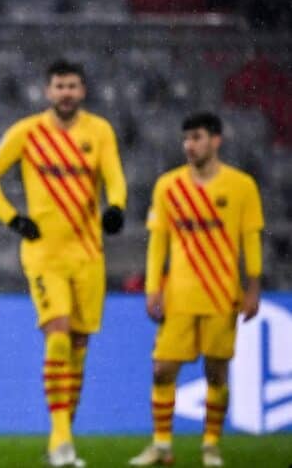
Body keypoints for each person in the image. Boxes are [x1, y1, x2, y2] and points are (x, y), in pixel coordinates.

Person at [0, 59, 127, 466]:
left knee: (78, 347)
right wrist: (13, 218)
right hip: (44, 256)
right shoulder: (27, 132)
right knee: (57, 336)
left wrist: (116, 206)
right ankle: (61, 441)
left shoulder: (100, 132)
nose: (66, 93)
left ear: (83, 91)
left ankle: (62, 439)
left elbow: (114, 176)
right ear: (48, 92)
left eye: (73, 85)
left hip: (89, 255)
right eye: (59, 86)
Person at [129, 112, 263, 467]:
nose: (190, 145)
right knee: (161, 369)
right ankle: (161, 446)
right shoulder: (168, 185)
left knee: (216, 371)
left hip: (222, 294)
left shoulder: (241, 186)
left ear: (216, 141)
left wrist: (253, 287)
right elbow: (158, 241)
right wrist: (152, 287)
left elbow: (250, 238)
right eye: (186, 138)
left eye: (198, 137)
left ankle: (210, 445)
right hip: (180, 295)